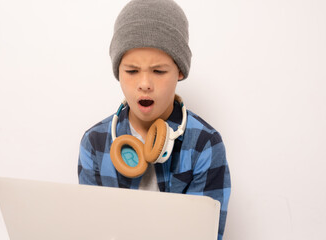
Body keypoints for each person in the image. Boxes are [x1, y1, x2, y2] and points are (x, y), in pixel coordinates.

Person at [78, 0, 231, 239]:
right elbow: (88, 228)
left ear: (180, 71)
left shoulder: (205, 144)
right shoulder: (94, 142)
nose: (144, 84)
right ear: (117, 71)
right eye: (131, 71)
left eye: (158, 71)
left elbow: (205, 234)